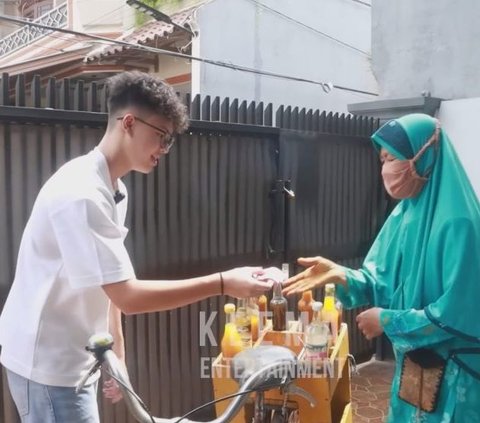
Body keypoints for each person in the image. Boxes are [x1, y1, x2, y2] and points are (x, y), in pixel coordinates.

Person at [0, 71, 279, 423]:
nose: (164, 149)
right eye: (161, 137)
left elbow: (111, 284)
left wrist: (118, 357)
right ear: (129, 123)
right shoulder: (81, 194)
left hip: (74, 356)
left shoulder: (114, 189)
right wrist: (223, 283)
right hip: (47, 366)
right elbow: (128, 296)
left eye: (169, 141)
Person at [283, 113, 480, 422]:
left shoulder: (460, 224)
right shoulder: (405, 213)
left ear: (425, 153)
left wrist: (388, 321)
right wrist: (342, 274)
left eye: (393, 158)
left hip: (456, 377)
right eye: (383, 160)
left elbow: (458, 314)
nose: (387, 169)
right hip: (416, 370)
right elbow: (382, 279)